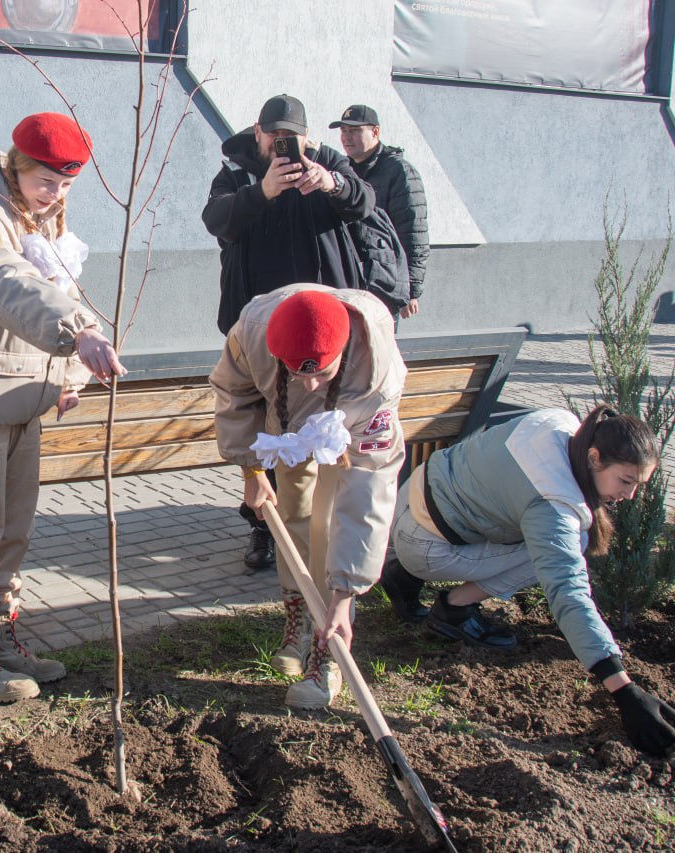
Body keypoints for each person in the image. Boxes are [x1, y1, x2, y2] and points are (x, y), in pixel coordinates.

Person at [0, 112, 126, 703]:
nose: (55, 195)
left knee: (12, 532)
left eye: (66, 185)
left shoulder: (36, 209)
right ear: (15, 164)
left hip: (22, 398)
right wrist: (77, 330)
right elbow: (2, 281)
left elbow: (57, 286)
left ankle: (1, 636)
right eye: (46, 181)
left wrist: (66, 374)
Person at [382, 406, 675, 758]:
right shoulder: (553, 501)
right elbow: (568, 591)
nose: (629, 496)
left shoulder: (559, 424)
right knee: (570, 548)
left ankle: (403, 573)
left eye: (637, 485)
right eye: (625, 482)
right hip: (425, 542)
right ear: (595, 458)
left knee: (560, 542)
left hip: (410, 497)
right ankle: (453, 609)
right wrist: (623, 689)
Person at [202, 94, 375, 575]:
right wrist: (263, 192)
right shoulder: (237, 172)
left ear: (307, 137)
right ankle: (263, 528)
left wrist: (334, 183)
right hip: (256, 329)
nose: (282, 146)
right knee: (261, 426)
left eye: (291, 138)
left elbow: (365, 203)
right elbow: (216, 220)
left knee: (324, 421)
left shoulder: (328, 165)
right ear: (257, 132)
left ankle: (322, 527)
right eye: (272, 135)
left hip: (321, 328)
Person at [210, 285, 405, 709]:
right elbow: (234, 395)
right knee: (293, 512)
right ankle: (298, 614)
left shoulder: (376, 376)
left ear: (344, 351)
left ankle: (329, 643)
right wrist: (252, 468)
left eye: (321, 372)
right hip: (287, 427)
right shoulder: (253, 335)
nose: (312, 383)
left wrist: (347, 592)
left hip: (349, 432)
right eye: (299, 371)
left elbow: (368, 495)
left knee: (330, 521)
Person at [329, 104, 429, 321]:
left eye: (354, 130)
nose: (347, 137)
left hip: (385, 283)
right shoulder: (344, 170)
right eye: (343, 131)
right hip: (351, 279)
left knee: (378, 351)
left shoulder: (398, 171)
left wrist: (410, 291)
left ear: (375, 132)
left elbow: (414, 233)